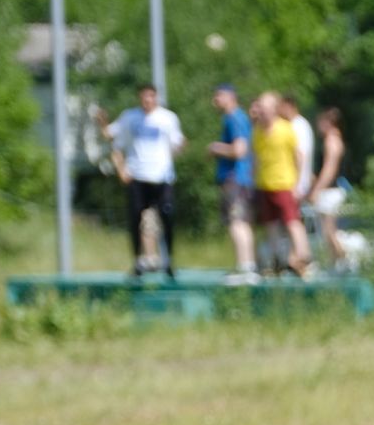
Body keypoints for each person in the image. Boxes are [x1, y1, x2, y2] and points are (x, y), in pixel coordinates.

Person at [95, 84, 184, 280]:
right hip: (138, 176)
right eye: (144, 97)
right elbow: (110, 136)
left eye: (151, 97)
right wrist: (102, 121)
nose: (147, 101)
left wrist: (181, 147)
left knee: (167, 217)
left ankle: (168, 260)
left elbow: (177, 143)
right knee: (135, 218)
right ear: (140, 98)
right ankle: (138, 261)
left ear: (156, 98)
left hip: (161, 177)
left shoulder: (167, 118)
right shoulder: (130, 117)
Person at [250, 92, 309, 278]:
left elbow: (299, 156)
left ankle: (303, 257)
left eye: (265, 108)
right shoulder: (257, 131)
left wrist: (298, 183)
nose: (262, 112)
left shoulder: (285, 129)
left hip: (284, 182)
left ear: (274, 109)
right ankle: (278, 260)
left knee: (292, 221)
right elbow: (257, 157)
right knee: (270, 224)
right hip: (264, 183)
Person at [205, 85, 258, 283]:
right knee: (241, 221)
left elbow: (240, 150)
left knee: (237, 222)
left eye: (218, 95)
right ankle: (246, 266)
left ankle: (246, 268)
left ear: (231, 97)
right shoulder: (238, 117)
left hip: (235, 178)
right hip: (242, 179)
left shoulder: (234, 117)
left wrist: (216, 148)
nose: (215, 100)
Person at [306, 107, 349, 269]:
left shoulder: (332, 141)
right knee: (327, 231)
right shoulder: (332, 140)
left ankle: (343, 261)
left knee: (328, 230)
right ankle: (335, 263)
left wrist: (316, 189)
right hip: (329, 190)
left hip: (331, 191)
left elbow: (330, 169)